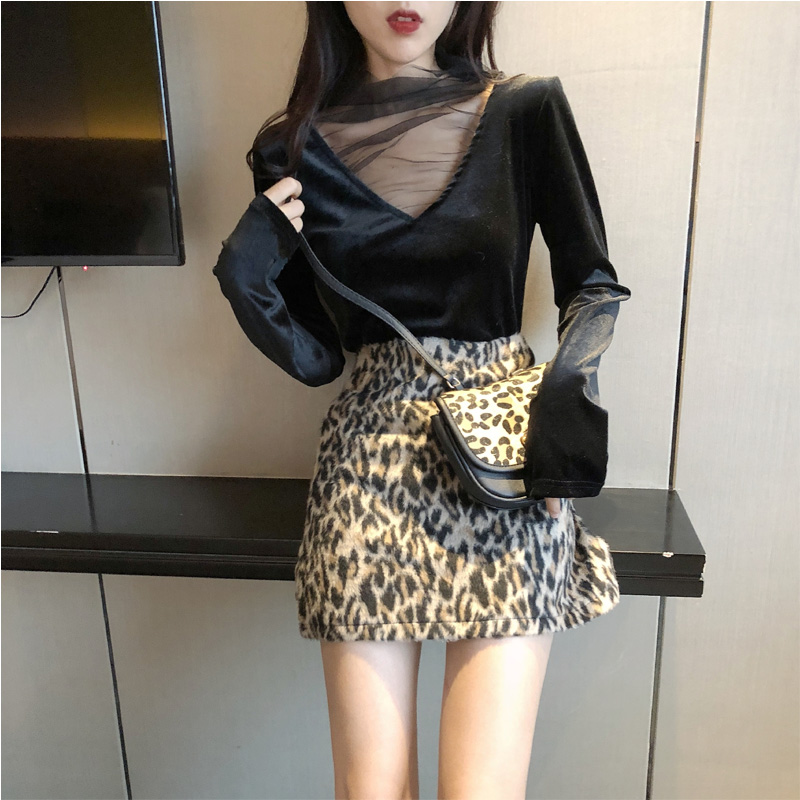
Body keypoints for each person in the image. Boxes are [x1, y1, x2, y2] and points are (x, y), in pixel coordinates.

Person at [212, 2, 632, 797]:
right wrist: (246, 279)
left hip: (504, 459)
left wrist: (565, 412)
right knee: (371, 792)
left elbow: (594, 285)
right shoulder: (289, 150)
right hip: (368, 471)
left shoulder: (525, 111)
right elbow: (319, 359)